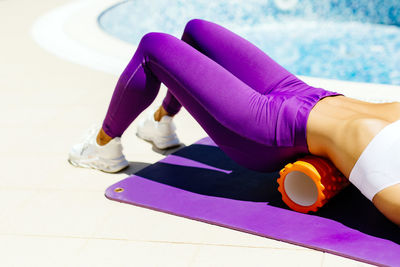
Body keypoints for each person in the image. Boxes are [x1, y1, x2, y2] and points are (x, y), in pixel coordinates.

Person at [68, 19, 400, 225]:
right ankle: (161, 124)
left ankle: (103, 148)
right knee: (197, 31)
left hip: (268, 129)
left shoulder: (390, 183)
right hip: (302, 94)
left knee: (154, 45)